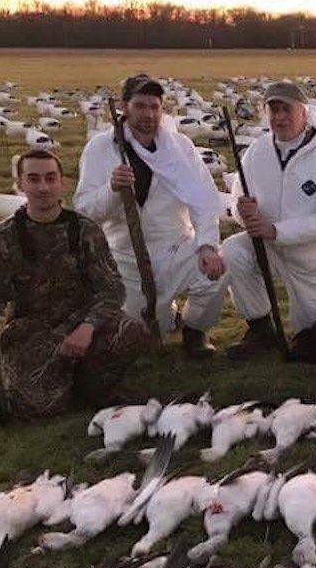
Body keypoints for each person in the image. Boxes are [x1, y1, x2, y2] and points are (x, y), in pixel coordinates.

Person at [0, 150, 149, 419]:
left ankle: (89, 383)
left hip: (82, 324)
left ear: (63, 182)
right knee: (39, 410)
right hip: (33, 331)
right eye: (34, 179)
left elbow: (112, 288)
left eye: (50, 178)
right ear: (20, 184)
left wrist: (87, 326)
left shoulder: (85, 229)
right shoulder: (4, 236)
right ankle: (61, 381)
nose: (43, 187)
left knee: (131, 332)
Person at [75, 74, 226, 359]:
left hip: (175, 246)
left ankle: (195, 330)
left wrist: (207, 245)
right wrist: (112, 189)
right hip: (126, 257)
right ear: (123, 106)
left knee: (217, 269)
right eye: (141, 106)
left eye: (155, 107)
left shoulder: (180, 147)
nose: (149, 114)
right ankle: (164, 315)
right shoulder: (100, 148)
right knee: (136, 337)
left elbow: (204, 199)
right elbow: (84, 210)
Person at [219, 80, 316, 362]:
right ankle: (260, 329)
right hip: (268, 246)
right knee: (233, 249)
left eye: (286, 109)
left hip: (314, 257)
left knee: (314, 335)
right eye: (273, 110)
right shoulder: (257, 152)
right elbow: (236, 198)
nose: (279, 117)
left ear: (304, 113)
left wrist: (276, 230)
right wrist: (241, 210)